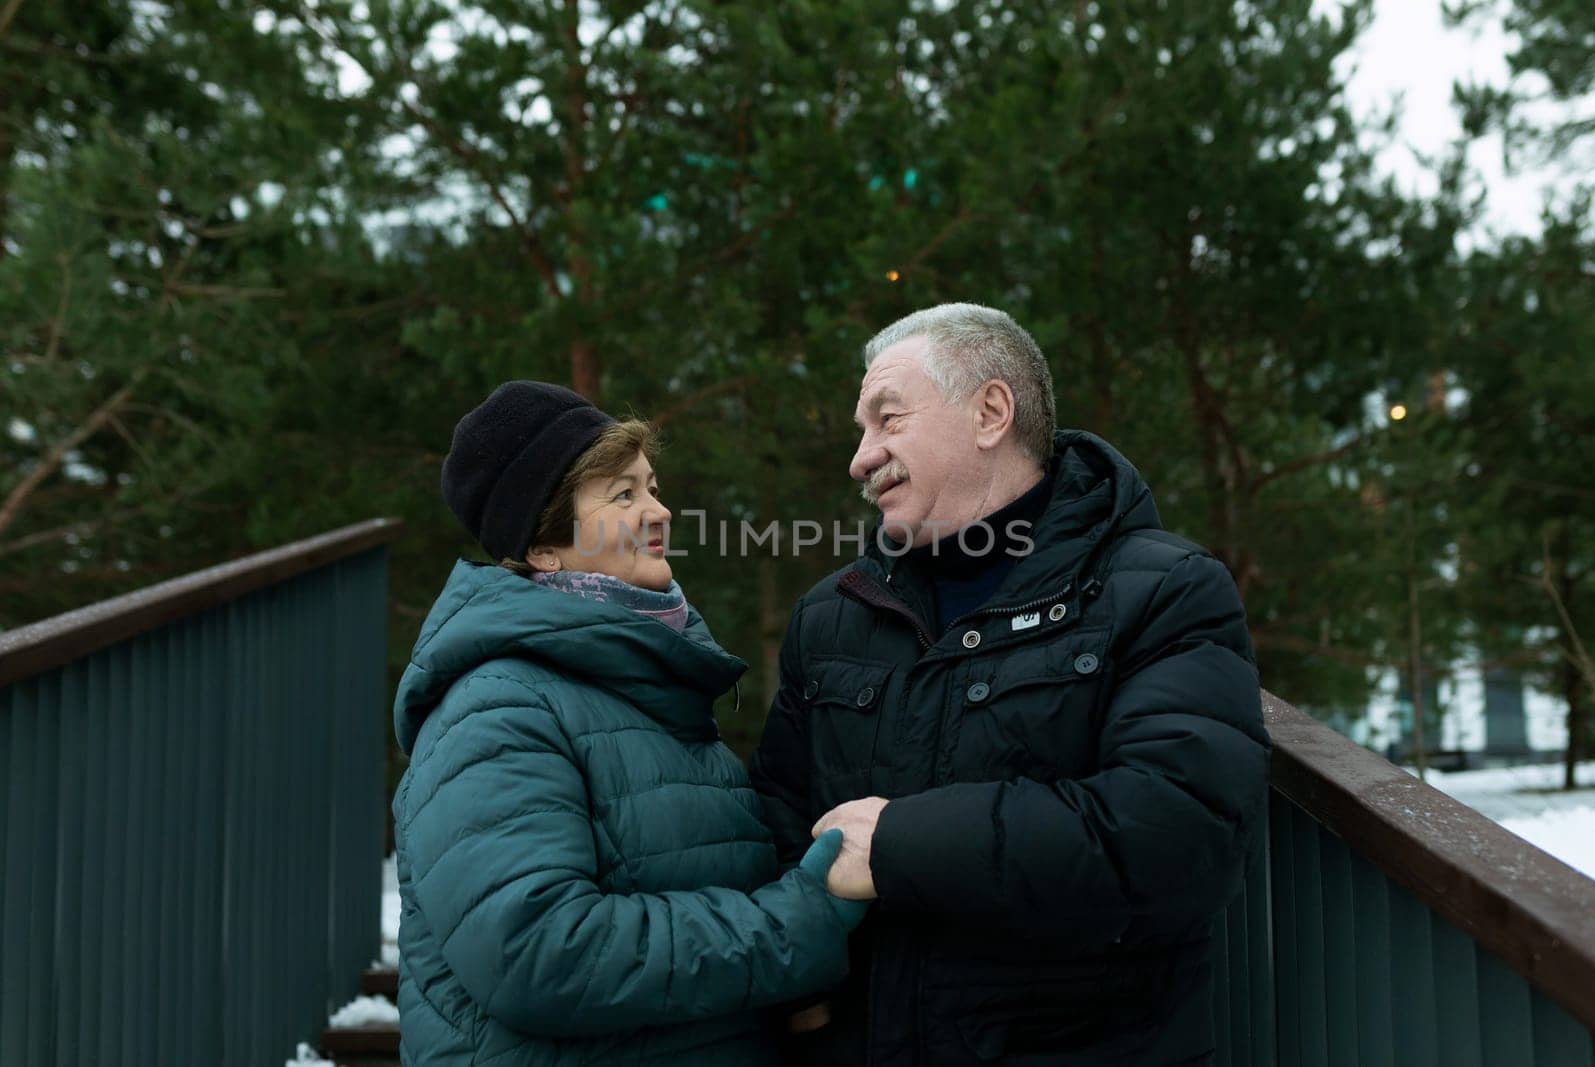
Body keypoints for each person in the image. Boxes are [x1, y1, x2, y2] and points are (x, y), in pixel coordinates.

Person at [749, 304, 1269, 1065]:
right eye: (861, 432)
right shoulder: (831, 617)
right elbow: (774, 821)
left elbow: (1177, 835)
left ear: (991, 411)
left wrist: (903, 844)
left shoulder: (1162, 591)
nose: (861, 458)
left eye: (887, 420)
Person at [392, 381, 866, 1067]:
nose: (660, 510)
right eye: (624, 495)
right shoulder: (497, 706)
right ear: (544, 548)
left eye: (651, 486)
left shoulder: (647, 690)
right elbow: (538, 952)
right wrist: (797, 925)